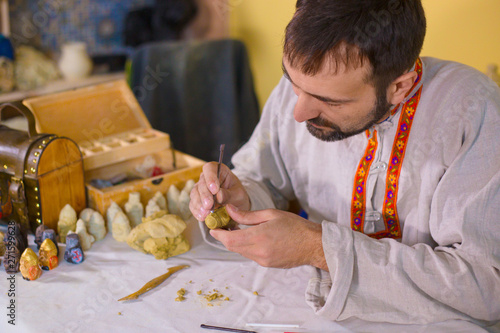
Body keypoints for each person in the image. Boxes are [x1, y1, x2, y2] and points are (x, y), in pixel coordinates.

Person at [189, 0, 500, 325]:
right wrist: (243, 198)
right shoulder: (308, 84)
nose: (298, 113)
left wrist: (317, 248)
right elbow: (262, 177)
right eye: (293, 86)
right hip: (305, 312)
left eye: (329, 101)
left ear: (399, 87)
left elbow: (487, 288)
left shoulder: (473, 112)